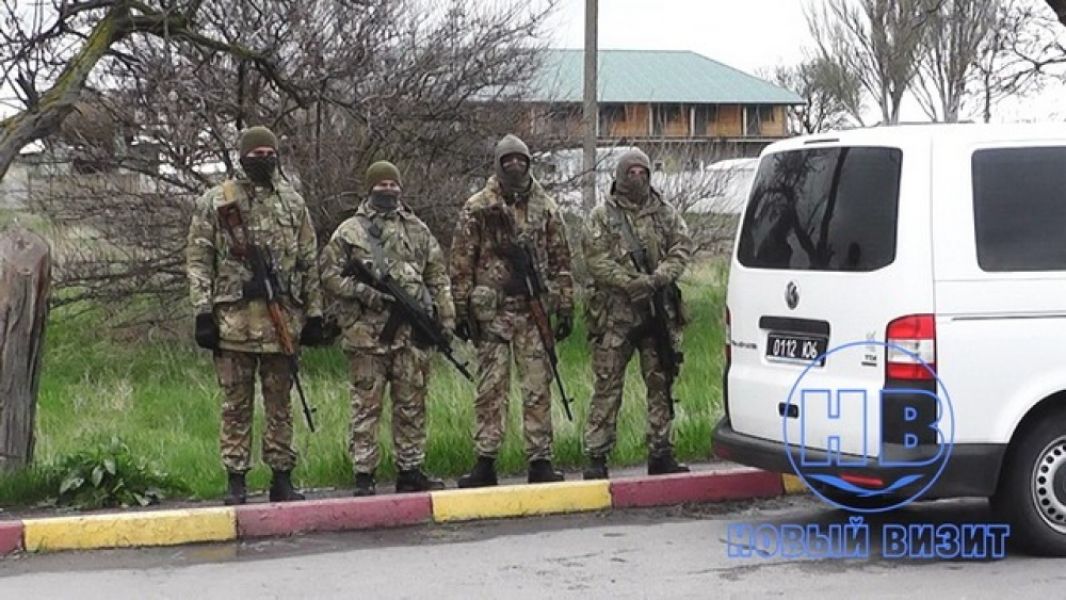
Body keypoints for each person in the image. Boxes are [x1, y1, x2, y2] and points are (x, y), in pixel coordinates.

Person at [186, 125, 325, 505]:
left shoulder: (292, 202)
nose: (264, 159)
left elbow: (309, 262)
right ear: (242, 156)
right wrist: (202, 313)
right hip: (234, 325)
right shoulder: (217, 201)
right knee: (236, 406)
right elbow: (199, 259)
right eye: (256, 154)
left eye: (269, 153)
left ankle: (282, 477)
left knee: (280, 405)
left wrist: (314, 314)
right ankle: (236, 481)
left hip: (282, 324)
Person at [318, 161, 452, 496]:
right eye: (382, 184)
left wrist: (446, 318)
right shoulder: (349, 231)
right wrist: (364, 292)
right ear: (370, 187)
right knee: (366, 406)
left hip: (410, 337)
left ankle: (411, 470)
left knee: (411, 405)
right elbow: (329, 275)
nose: (388, 189)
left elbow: (437, 275)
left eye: (393, 184)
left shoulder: (417, 229)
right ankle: (364, 475)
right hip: (366, 336)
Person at [449, 134, 575, 487]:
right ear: (499, 164)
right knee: (490, 389)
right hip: (493, 314)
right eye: (508, 161)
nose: (515, 165)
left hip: (533, 313)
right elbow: (461, 260)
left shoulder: (546, 207)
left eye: (521, 160)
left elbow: (561, 259)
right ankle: (485, 462)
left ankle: (540, 460)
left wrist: (565, 305)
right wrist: (460, 309)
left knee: (537, 387)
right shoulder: (478, 206)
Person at [581, 148, 693, 480]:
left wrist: (656, 279)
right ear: (619, 175)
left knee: (661, 381)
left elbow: (681, 248)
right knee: (607, 384)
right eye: (631, 172)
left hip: (656, 311)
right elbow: (596, 259)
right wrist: (629, 283)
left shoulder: (666, 213)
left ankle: (661, 452)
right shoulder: (602, 215)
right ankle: (596, 457)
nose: (637, 177)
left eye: (643, 172)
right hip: (615, 315)